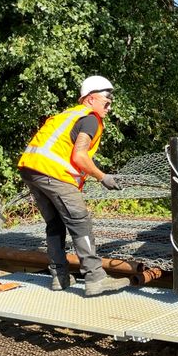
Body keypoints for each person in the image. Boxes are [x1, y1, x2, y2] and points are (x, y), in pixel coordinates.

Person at [17, 75, 129, 297]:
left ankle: (59, 277)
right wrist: (102, 176)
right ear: (89, 99)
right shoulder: (90, 119)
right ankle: (96, 278)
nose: (110, 105)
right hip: (53, 174)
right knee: (80, 222)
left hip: (31, 170)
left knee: (55, 224)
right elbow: (79, 156)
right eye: (106, 100)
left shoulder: (65, 116)